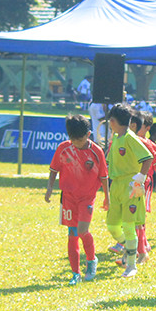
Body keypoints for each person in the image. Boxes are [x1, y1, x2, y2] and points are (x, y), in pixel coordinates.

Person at [44, 114, 109, 285]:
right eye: (73, 140)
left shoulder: (96, 152)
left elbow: (103, 176)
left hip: (87, 197)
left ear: (88, 135)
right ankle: (75, 273)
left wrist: (107, 198)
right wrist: (50, 188)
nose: (76, 144)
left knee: (82, 231)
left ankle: (91, 259)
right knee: (72, 234)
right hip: (68, 197)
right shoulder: (63, 148)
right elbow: (53, 169)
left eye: (79, 140)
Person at [105, 103, 153, 278]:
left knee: (128, 225)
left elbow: (148, 158)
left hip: (130, 186)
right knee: (112, 226)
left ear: (113, 121)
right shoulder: (115, 139)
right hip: (116, 185)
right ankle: (129, 248)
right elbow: (108, 163)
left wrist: (139, 178)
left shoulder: (130, 138)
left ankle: (131, 265)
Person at [127, 110, 156, 265]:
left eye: (139, 125)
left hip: (144, 184)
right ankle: (138, 246)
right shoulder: (127, 141)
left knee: (138, 218)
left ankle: (141, 250)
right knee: (130, 217)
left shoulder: (148, 145)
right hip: (130, 183)